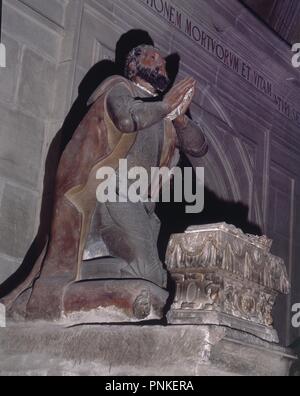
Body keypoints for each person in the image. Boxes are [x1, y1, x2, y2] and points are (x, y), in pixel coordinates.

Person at [1, 45, 208, 321]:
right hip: (111, 193)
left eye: (162, 62)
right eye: (153, 58)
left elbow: (199, 148)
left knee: (154, 275)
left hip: (142, 203)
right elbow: (126, 118)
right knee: (146, 272)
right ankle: (78, 293)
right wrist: (167, 105)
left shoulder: (163, 112)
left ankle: (68, 283)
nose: (161, 64)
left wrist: (179, 118)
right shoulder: (118, 87)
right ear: (133, 66)